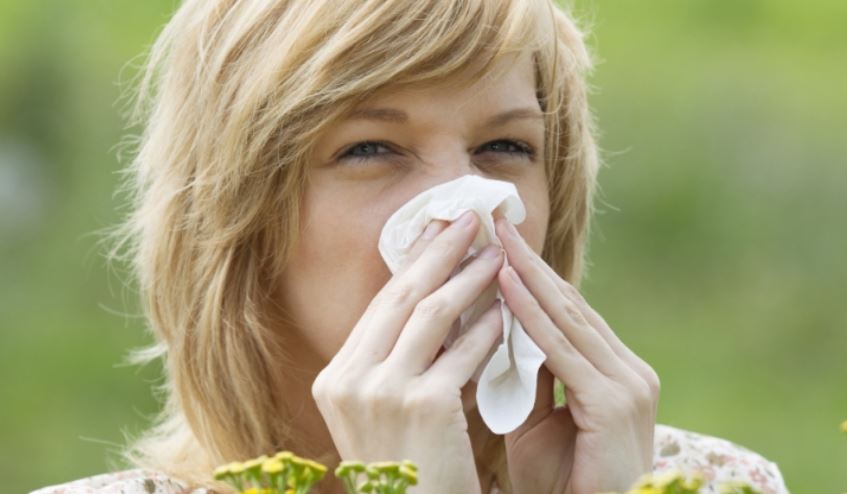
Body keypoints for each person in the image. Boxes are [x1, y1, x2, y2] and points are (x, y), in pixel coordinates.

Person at [32, 0, 790, 493]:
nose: (464, 211)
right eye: (370, 149)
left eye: (503, 146)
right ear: (242, 213)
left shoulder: (712, 482)